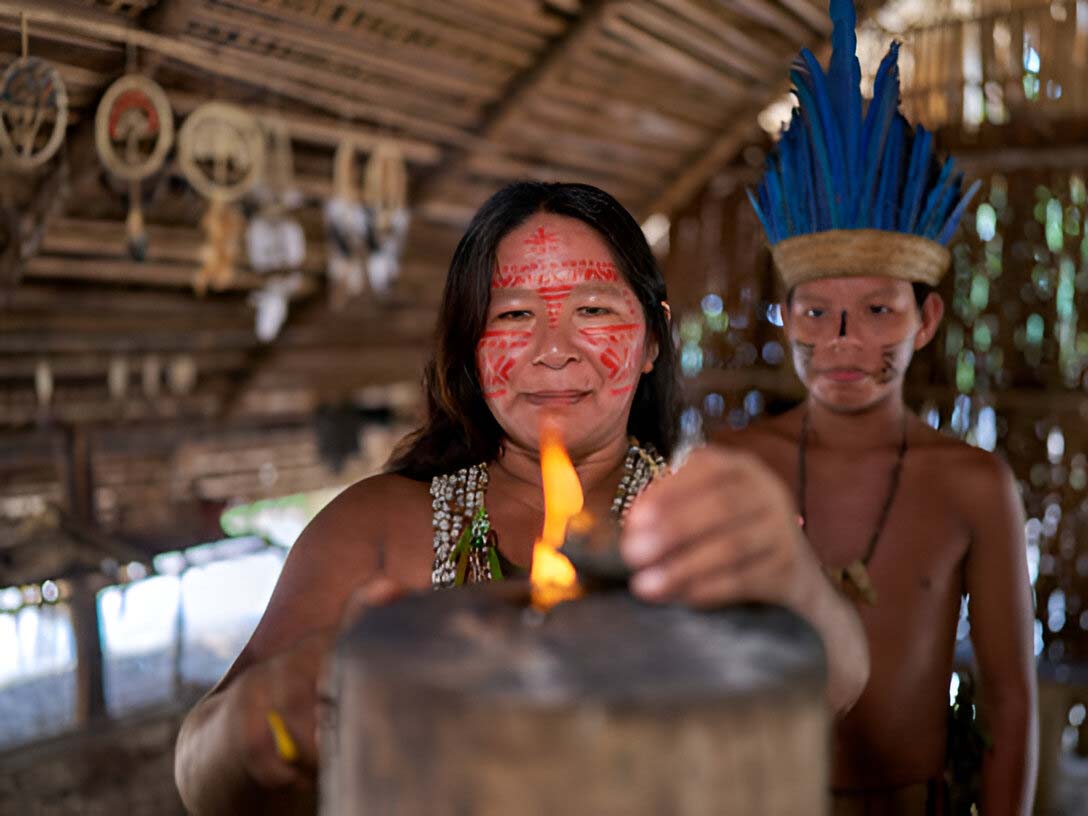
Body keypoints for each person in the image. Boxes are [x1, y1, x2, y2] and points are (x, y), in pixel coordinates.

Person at [173, 181, 869, 815]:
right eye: (512, 315)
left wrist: (797, 587)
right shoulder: (376, 527)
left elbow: (839, 684)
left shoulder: (704, 530)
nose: (552, 350)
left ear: (653, 338)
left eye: (592, 309)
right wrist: (262, 721)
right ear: (471, 347)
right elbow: (201, 773)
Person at [716, 2, 1038, 813]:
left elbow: (1010, 699)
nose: (844, 339)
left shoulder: (973, 485)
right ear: (784, 318)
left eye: (879, 311)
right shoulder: (738, 467)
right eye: (814, 311)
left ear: (926, 320)